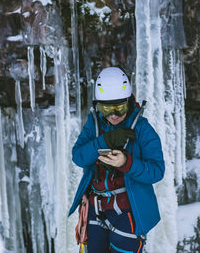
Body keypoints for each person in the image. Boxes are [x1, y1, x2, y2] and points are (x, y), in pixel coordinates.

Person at [68, 67, 165, 253]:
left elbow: (157, 171)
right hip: (96, 210)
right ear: (98, 105)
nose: (113, 114)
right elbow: (78, 157)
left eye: (119, 107)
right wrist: (103, 141)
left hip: (127, 211)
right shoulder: (94, 124)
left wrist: (126, 163)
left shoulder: (142, 129)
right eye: (106, 108)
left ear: (129, 102)